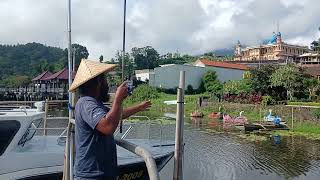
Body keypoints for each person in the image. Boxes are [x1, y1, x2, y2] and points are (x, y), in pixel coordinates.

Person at [69, 59, 151, 180]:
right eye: (104, 79)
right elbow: (108, 127)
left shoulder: (94, 103)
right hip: (91, 176)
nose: (107, 84)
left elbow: (116, 115)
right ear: (97, 82)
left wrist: (139, 107)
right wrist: (117, 99)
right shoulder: (86, 104)